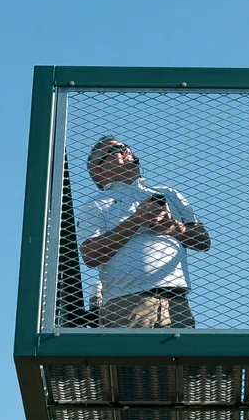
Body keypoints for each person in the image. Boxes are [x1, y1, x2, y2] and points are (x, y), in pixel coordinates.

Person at [75, 135, 211, 328]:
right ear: (99, 169)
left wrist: (173, 228)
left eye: (127, 147)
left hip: (177, 302)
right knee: (132, 359)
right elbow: (90, 255)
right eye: (116, 150)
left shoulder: (168, 193)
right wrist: (137, 220)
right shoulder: (96, 204)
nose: (126, 151)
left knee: (179, 359)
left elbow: (204, 241)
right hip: (127, 302)